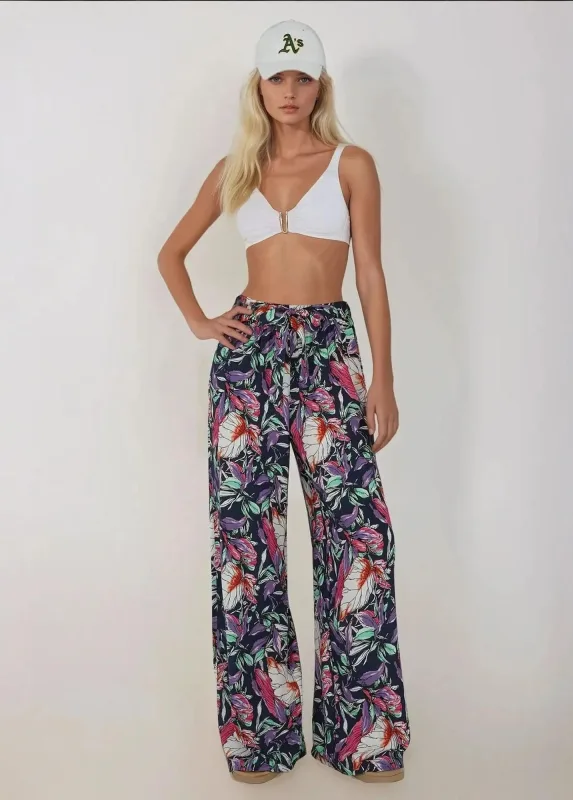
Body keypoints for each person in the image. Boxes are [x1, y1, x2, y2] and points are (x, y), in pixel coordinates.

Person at [157, 18, 410, 785]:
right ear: (259, 87)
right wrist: (203, 321)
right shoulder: (237, 170)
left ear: (320, 85)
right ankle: (259, 737)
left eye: (303, 78)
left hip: (330, 353)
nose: (290, 91)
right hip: (249, 358)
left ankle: (362, 737)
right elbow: (170, 254)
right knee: (247, 548)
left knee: (359, 537)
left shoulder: (352, 164)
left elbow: (370, 273)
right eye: (278, 78)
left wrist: (382, 376)